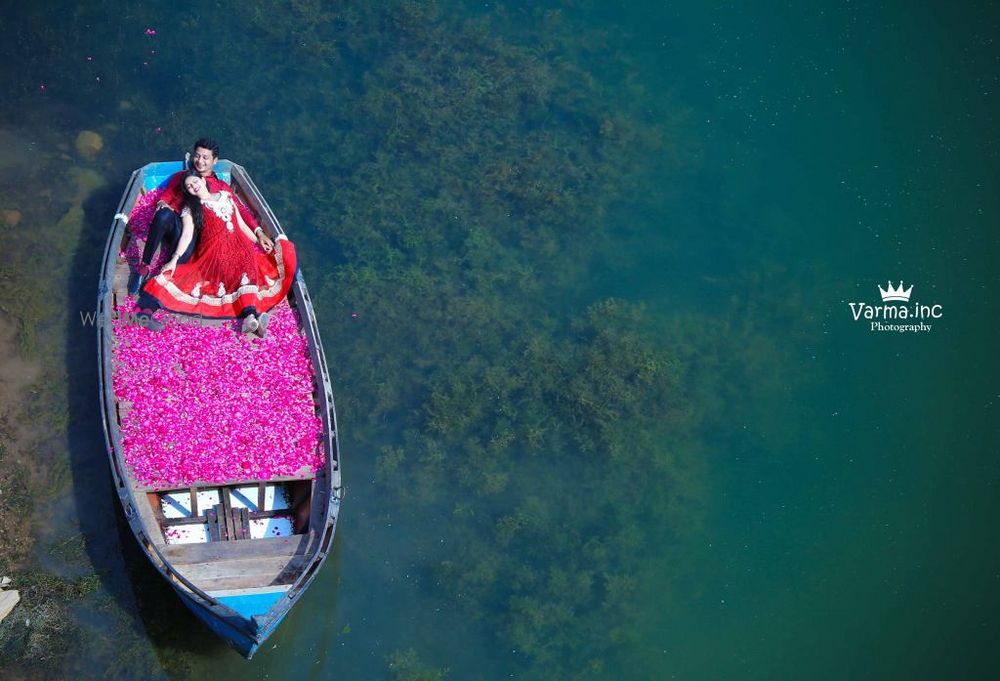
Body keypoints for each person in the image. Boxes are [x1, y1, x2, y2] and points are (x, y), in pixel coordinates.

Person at [135, 170, 297, 337]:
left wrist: (259, 240)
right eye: (189, 187)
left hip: (240, 246)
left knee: (250, 264)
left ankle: (251, 317)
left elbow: (241, 225)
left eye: (195, 182)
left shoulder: (226, 196)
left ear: (203, 180)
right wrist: (175, 259)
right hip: (214, 252)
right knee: (232, 271)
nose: (193, 187)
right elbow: (187, 234)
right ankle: (252, 316)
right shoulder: (191, 207)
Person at [128, 138, 262, 295]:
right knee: (163, 215)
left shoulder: (222, 188)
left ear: (215, 161)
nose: (200, 161)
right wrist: (162, 204)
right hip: (179, 224)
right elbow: (166, 196)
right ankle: (144, 267)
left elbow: (240, 210)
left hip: (198, 235)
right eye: (197, 156)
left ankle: (163, 275)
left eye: (205, 158)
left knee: (181, 262)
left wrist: (259, 231)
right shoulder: (182, 177)